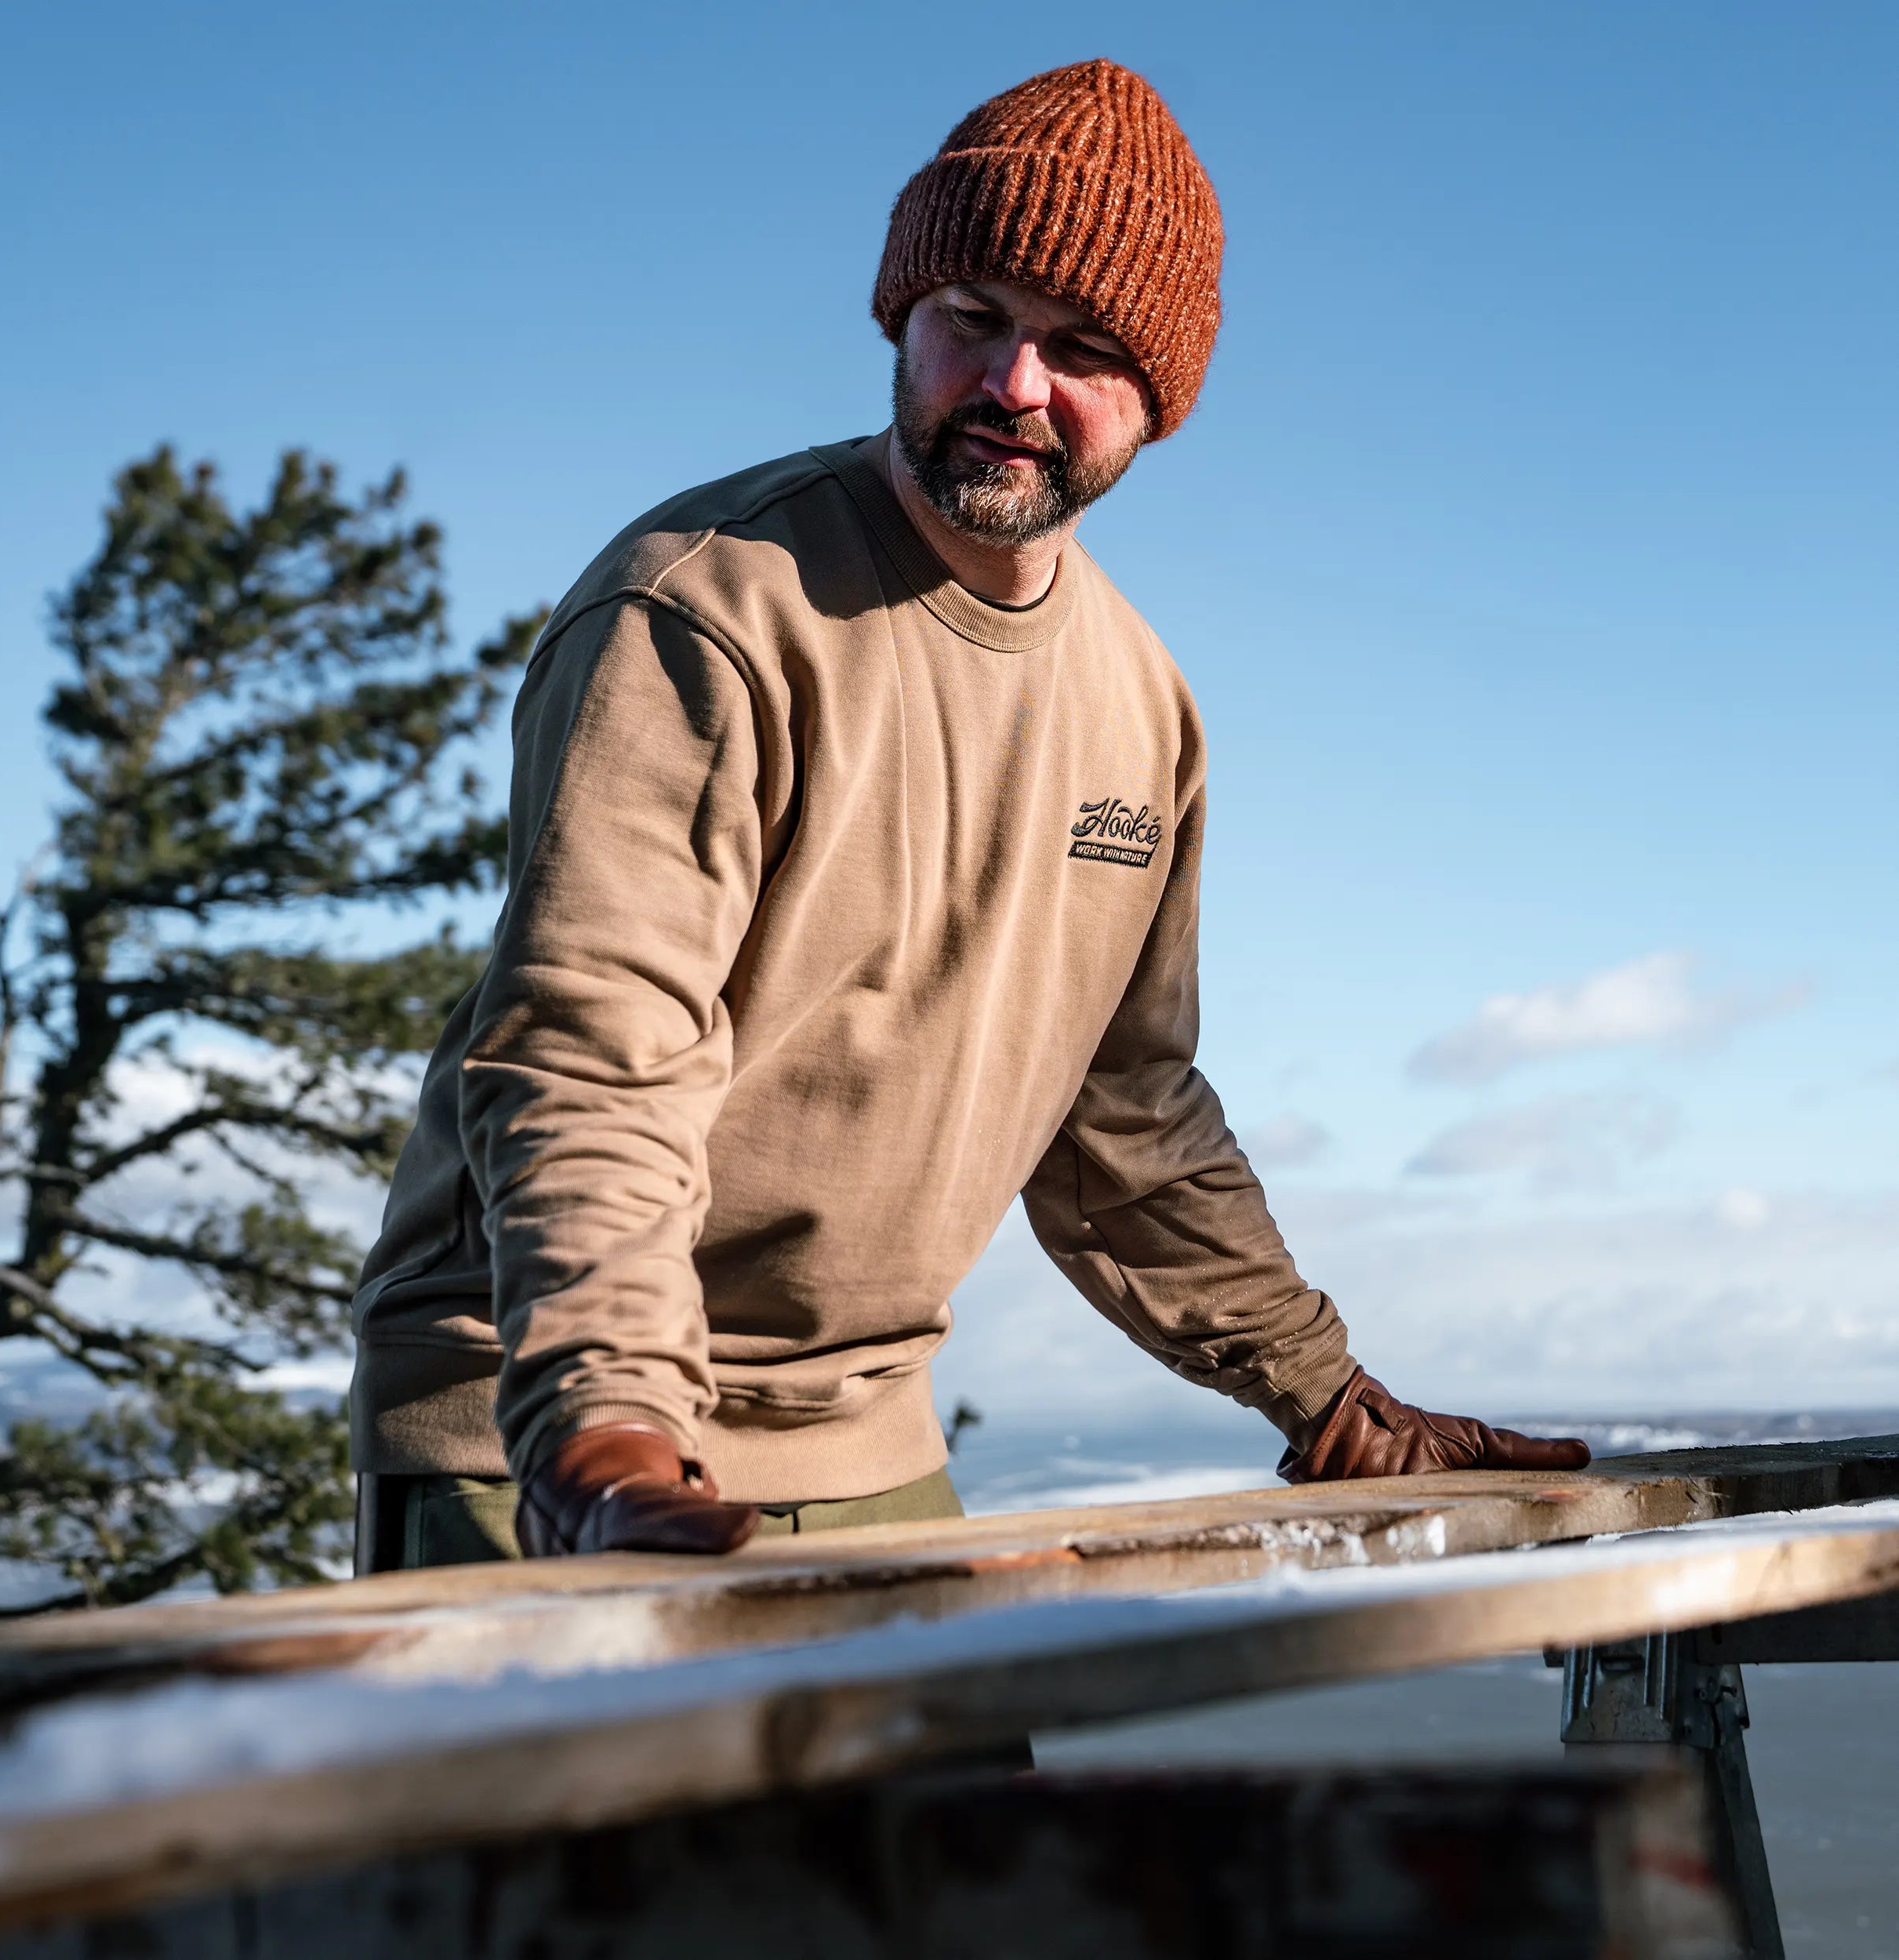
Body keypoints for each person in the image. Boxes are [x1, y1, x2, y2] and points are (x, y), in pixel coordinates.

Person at [349, 59, 1590, 1573]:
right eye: (976, 321)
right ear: (903, 320)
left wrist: (1329, 1399)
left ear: (1159, 400)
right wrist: (602, 1430)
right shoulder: (706, 611)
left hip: (866, 1441)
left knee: (969, 1818)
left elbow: (1123, 1117)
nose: (1013, 388)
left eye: (1080, 347)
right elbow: (598, 1049)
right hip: (542, 1431)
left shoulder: (1144, 709)